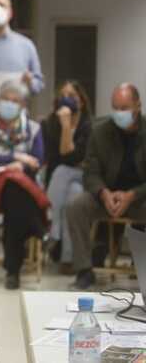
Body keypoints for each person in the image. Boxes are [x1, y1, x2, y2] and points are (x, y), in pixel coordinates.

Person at [67, 83, 146, 290]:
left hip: (140, 199)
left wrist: (132, 195)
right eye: (115, 108)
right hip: (107, 196)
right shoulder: (100, 131)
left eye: (124, 108)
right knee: (77, 206)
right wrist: (103, 193)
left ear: (138, 105)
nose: (119, 113)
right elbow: (90, 172)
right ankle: (84, 271)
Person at [0, 79, 46, 290]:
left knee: (15, 193)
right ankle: (36, 227)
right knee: (16, 193)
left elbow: (37, 161)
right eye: (6, 99)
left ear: (22, 105)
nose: (9, 104)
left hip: (20, 188)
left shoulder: (33, 129)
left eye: (15, 100)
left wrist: (17, 167)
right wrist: (16, 158)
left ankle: (12, 270)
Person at [43, 80, 94, 269]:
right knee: (72, 196)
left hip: (83, 176)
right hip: (61, 182)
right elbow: (56, 157)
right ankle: (67, 258)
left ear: (81, 101)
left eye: (71, 96)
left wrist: (67, 127)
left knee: (63, 171)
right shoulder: (50, 123)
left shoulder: (89, 125)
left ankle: (53, 232)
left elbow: (71, 157)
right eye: (63, 95)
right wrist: (63, 126)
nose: (67, 99)